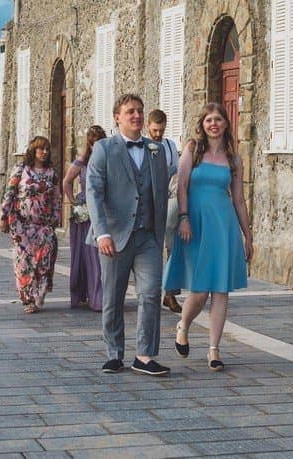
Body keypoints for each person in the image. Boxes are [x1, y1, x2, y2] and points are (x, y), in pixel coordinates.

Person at [163, 103, 252, 372]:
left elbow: (238, 200)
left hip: (223, 224)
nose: (213, 124)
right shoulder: (192, 149)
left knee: (221, 289)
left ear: (226, 123)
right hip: (196, 223)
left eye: (218, 120)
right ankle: (183, 325)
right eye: (209, 120)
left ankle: (214, 349)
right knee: (200, 289)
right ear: (202, 124)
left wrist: (247, 235)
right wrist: (184, 218)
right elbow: (182, 187)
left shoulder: (234, 159)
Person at [87, 94, 171, 376]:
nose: (136, 116)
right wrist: (102, 233)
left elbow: (160, 192)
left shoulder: (156, 150)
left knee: (150, 294)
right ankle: (114, 353)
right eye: (130, 111)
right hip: (114, 235)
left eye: (139, 111)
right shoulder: (103, 148)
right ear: (117, 117)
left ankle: (144, 355)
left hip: (147, 236)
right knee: (113, 297)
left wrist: (164, 231)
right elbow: (94, 192)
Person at [0, 136, 62, 314]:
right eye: (41, 149)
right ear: (33, 151)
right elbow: (9, 193)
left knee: (45, 260)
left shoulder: (51, 173)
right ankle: (27, 299)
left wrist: (55, 218)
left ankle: (40, 292)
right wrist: (3, 216)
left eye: (47, 149)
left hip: (43, 225)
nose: (44, 152)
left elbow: (56, 199)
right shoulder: (21, 170)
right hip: (22, 224)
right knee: (23, 263)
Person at [62, 126, 107, 312]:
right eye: (93, 140)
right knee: (84, 256)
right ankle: (84, 294)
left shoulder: (108, 159)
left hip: (101, 209)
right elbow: (66, 182)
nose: (96, 143)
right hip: (84, 213)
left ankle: (99, 296)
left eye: (99, 139)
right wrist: (74, 202)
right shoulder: (82, 161)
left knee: (98, 257)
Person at [147, 109, 182, 314]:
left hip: (168, 200)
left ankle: (170, 293)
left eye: (161, 130)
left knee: (171, 246)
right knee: (149, 249)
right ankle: (151, 291)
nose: (158, 134)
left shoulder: (170, 146)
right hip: (149, 203)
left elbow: (177, 171)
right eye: (154, 130)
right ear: (148, 127)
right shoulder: (143, 146)